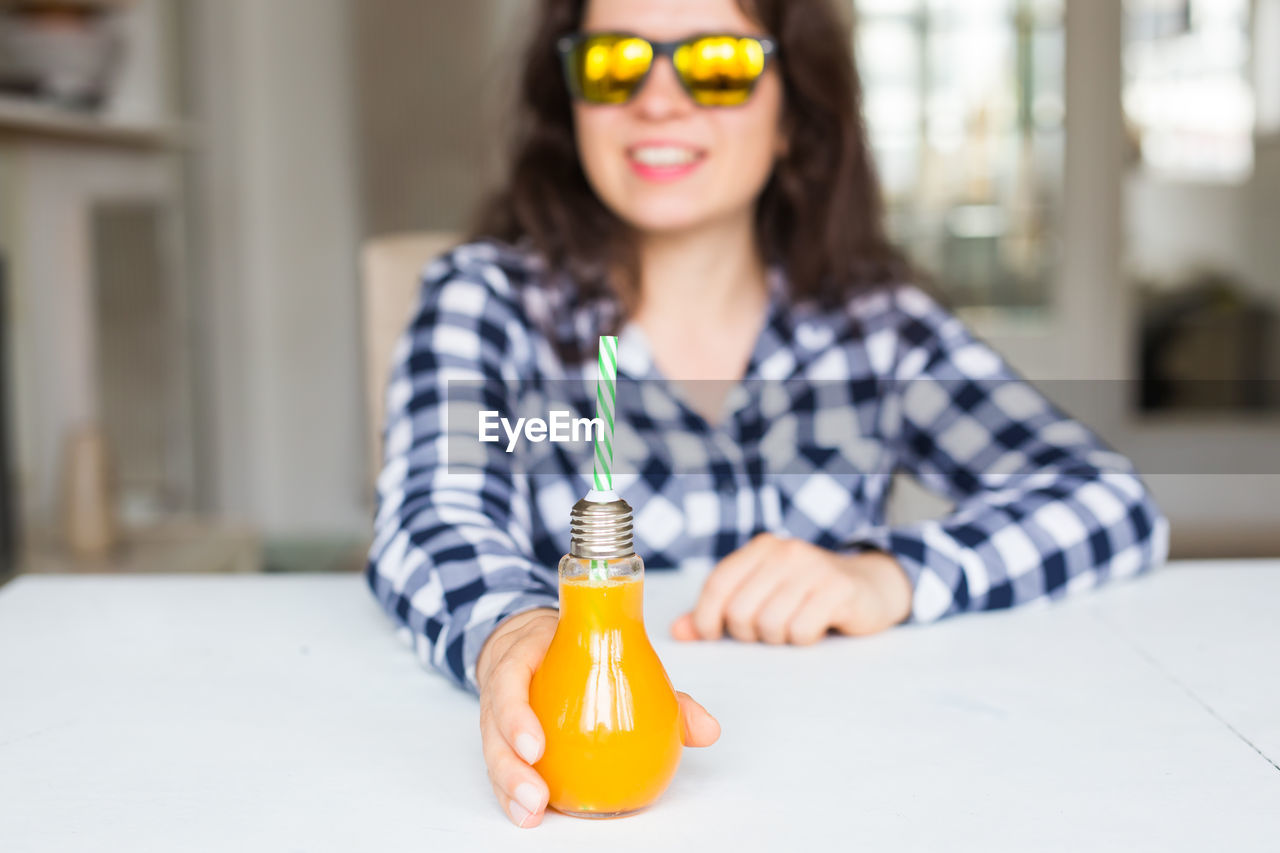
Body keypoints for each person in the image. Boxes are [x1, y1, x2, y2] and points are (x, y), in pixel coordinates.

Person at [366, 0, 1169, 830]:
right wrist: (513, 631)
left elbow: (1104, 497)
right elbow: (433, 510)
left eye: (718, 65)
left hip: (847, 803)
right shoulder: (487, 302)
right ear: (573, 111)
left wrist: (885, 575)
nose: (659, 100)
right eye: (614, 66)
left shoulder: (876, 327)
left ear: (795, 116)